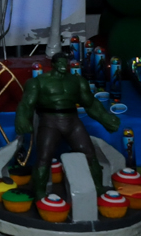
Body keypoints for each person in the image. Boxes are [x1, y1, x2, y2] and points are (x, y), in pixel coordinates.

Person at [15, 53, 121, 197]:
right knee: (43, 157)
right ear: (53, 64)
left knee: (89, 153)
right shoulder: (38, 82)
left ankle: (97, 187)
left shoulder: (77, 81)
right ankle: (39, 192)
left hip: (72, 121)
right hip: (49, 121)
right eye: (59, 63)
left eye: (65, 63)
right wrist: (22, 120)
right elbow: (26, 104)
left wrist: (105, 118)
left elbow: (90, 103)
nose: (63, 66)